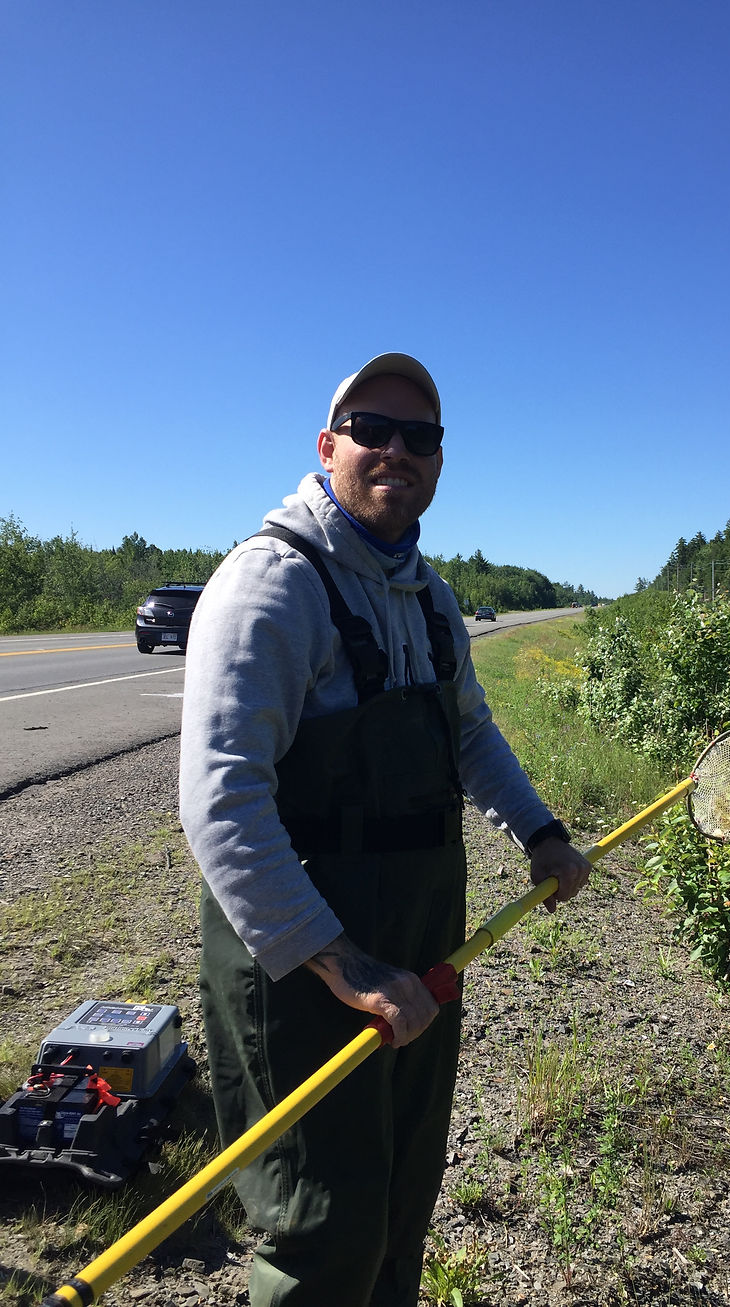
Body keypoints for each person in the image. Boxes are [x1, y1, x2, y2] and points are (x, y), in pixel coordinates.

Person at [178, 352, 592, 1307]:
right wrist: (343, 962)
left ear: (439, 463)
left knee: (404, 1195)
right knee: (322, 1222)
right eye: (373, 428)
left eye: (422, 436)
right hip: (303, 956)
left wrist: (541, 832)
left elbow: (470, 738)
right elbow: (221, 801)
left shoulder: (435, 596)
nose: (397, 449)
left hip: (419, 938)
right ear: (329, 448)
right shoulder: (270, 585)